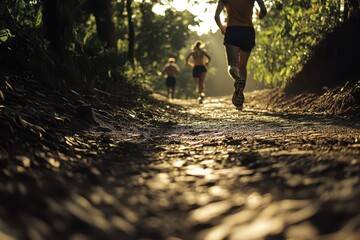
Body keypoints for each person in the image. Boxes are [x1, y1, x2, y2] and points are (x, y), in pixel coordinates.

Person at [215, 0, 267, 110]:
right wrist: (260, 15)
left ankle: (238, 79)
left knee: (232, 65)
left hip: (233, 30)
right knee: (243, 65)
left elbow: (216, 16)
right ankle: (240, 97)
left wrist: (221, 27)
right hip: (248, 31)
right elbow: (264, 10)